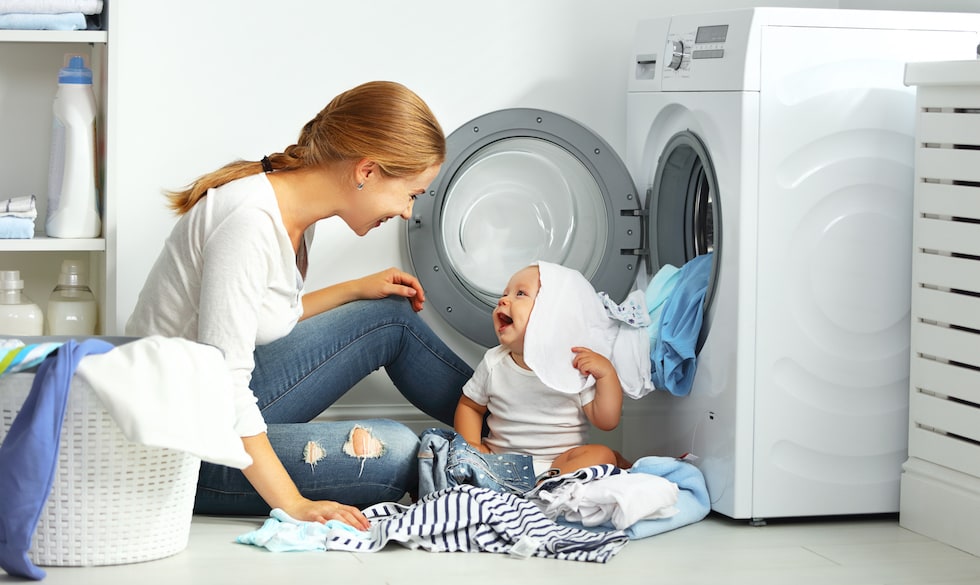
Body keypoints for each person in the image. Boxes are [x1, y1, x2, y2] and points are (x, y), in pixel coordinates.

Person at [125, 80, 474, 530]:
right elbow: (225, 383)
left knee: (389, 315)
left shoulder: (293, 213)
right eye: (411, 194)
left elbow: (259, 318)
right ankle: (491, 459)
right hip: (181, 446)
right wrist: (292, 504)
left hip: (208, 406)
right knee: (394, 449)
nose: (408, 212)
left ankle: (516, 433)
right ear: (366, 171)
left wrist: (354, 289)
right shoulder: (248, 223)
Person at [453, 263, 631, 481]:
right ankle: (533, 486)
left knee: (601, 454)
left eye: (520, 294)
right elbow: (470, 406)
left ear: (552, 313)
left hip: (561, 462)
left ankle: (550, 483)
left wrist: (606, 375)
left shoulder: (573, 365)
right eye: (505, 293)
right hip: (501, 461)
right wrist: (472, 444)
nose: (503, 300)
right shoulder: (494, 362)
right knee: (449, 453)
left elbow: (607, 421)